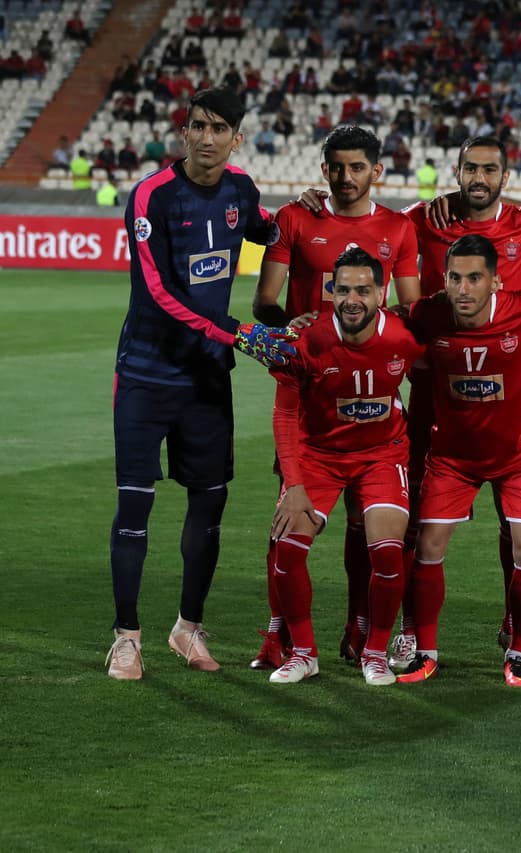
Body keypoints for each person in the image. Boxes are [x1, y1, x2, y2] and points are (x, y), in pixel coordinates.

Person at [106, 87, 297, 680]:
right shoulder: (151, 195)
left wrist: (306, 211)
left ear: (236, 137)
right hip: (146, 373)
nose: (207, 137)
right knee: (135, 507)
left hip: (207, 382)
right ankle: (126, 637)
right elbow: (159, 295)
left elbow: (271, 232)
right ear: (184, 132)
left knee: (208, 507)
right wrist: (239, 333)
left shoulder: (241, 189)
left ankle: (187, 628)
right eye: (198, 126)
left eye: (219, 128)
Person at [249, 124, 420, 671]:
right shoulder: (295, 218)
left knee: (363, 527)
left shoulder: (399, 227)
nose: (347, 177)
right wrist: (289, 328)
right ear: (323, 168)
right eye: (337, 167)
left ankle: (359, 630)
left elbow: (412, 312)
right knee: (288, 521)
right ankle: (280, 637)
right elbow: (265, 303)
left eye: (357, 167)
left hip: (369, 391)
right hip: (309, 386)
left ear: (377, 171)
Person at [400, 136, 521, 669]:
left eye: (489, 168)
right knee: (417, 530)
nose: (479, 177)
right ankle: (414, 638)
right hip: (439, 408)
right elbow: (376, 238)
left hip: (513, 417)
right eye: (469, 168)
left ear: (505, 176)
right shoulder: (425, 220)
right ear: (457, 171)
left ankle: (520, 639)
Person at [266, 248, 423, 686]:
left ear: (382, 292)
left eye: (364, 290)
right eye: (344, 289)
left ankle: (374, 653)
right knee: (287, 550)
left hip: (383, 455)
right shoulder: (307, 340)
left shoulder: (405, 337)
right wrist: (293, 484)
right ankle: (303, 653)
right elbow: (284, 415)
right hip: (319, 456)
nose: (353, 299)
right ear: (332, 291)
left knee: (387, 550)